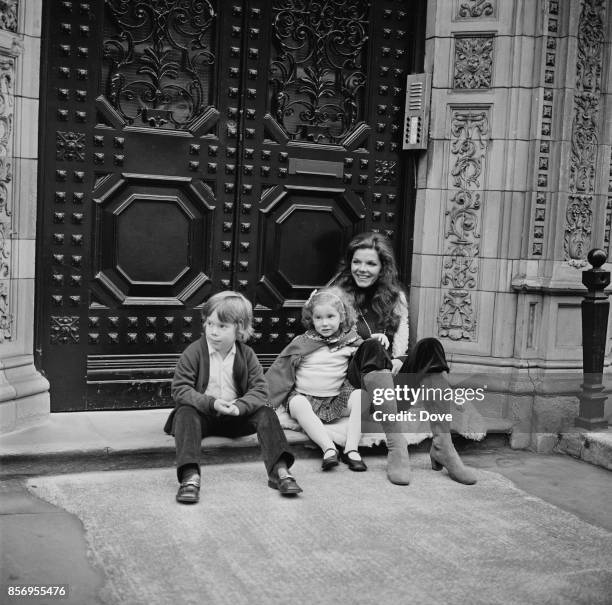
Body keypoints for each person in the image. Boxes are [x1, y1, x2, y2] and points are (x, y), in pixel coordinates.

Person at [335, 231, 479, 486]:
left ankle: (443, 447)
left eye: (371, 263)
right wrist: (364, 343)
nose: (362, 269)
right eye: (357, 262)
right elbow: (327, 346)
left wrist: (399, 360)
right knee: (373, 347)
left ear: (382, 268)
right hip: (359, 387)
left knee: (430, 347)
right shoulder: (336, 297)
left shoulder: (395, 298)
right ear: (349, 264)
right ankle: (396, 447)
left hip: (391, 385)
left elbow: (402, 345)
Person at [163, 291, 302, 503]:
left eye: (222, 326)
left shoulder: (247, 355)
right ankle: (190, 477)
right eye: (210, 324)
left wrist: (240, 406)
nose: (213, 332)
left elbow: (260, 390)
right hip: (204, 416)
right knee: (184, 411)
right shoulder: (194, 352)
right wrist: (211, 403)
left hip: (236, 416)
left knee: (266, 412)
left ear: (240, 328)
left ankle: (280, 472)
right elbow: (180, 389)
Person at [266, 287, 368, 472]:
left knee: (361, 396)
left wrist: (377, 340)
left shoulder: (350, 341)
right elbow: (280, 370)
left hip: (336, 399)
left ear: (342, 317)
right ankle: (328, 448)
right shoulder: (302, 342)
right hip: (306, 398)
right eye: (318, 318)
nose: (325, 323)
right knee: (297, 403)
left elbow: (368, 354)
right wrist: (263, 399)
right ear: (311, 319)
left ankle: (351, 449)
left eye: (331, 316)